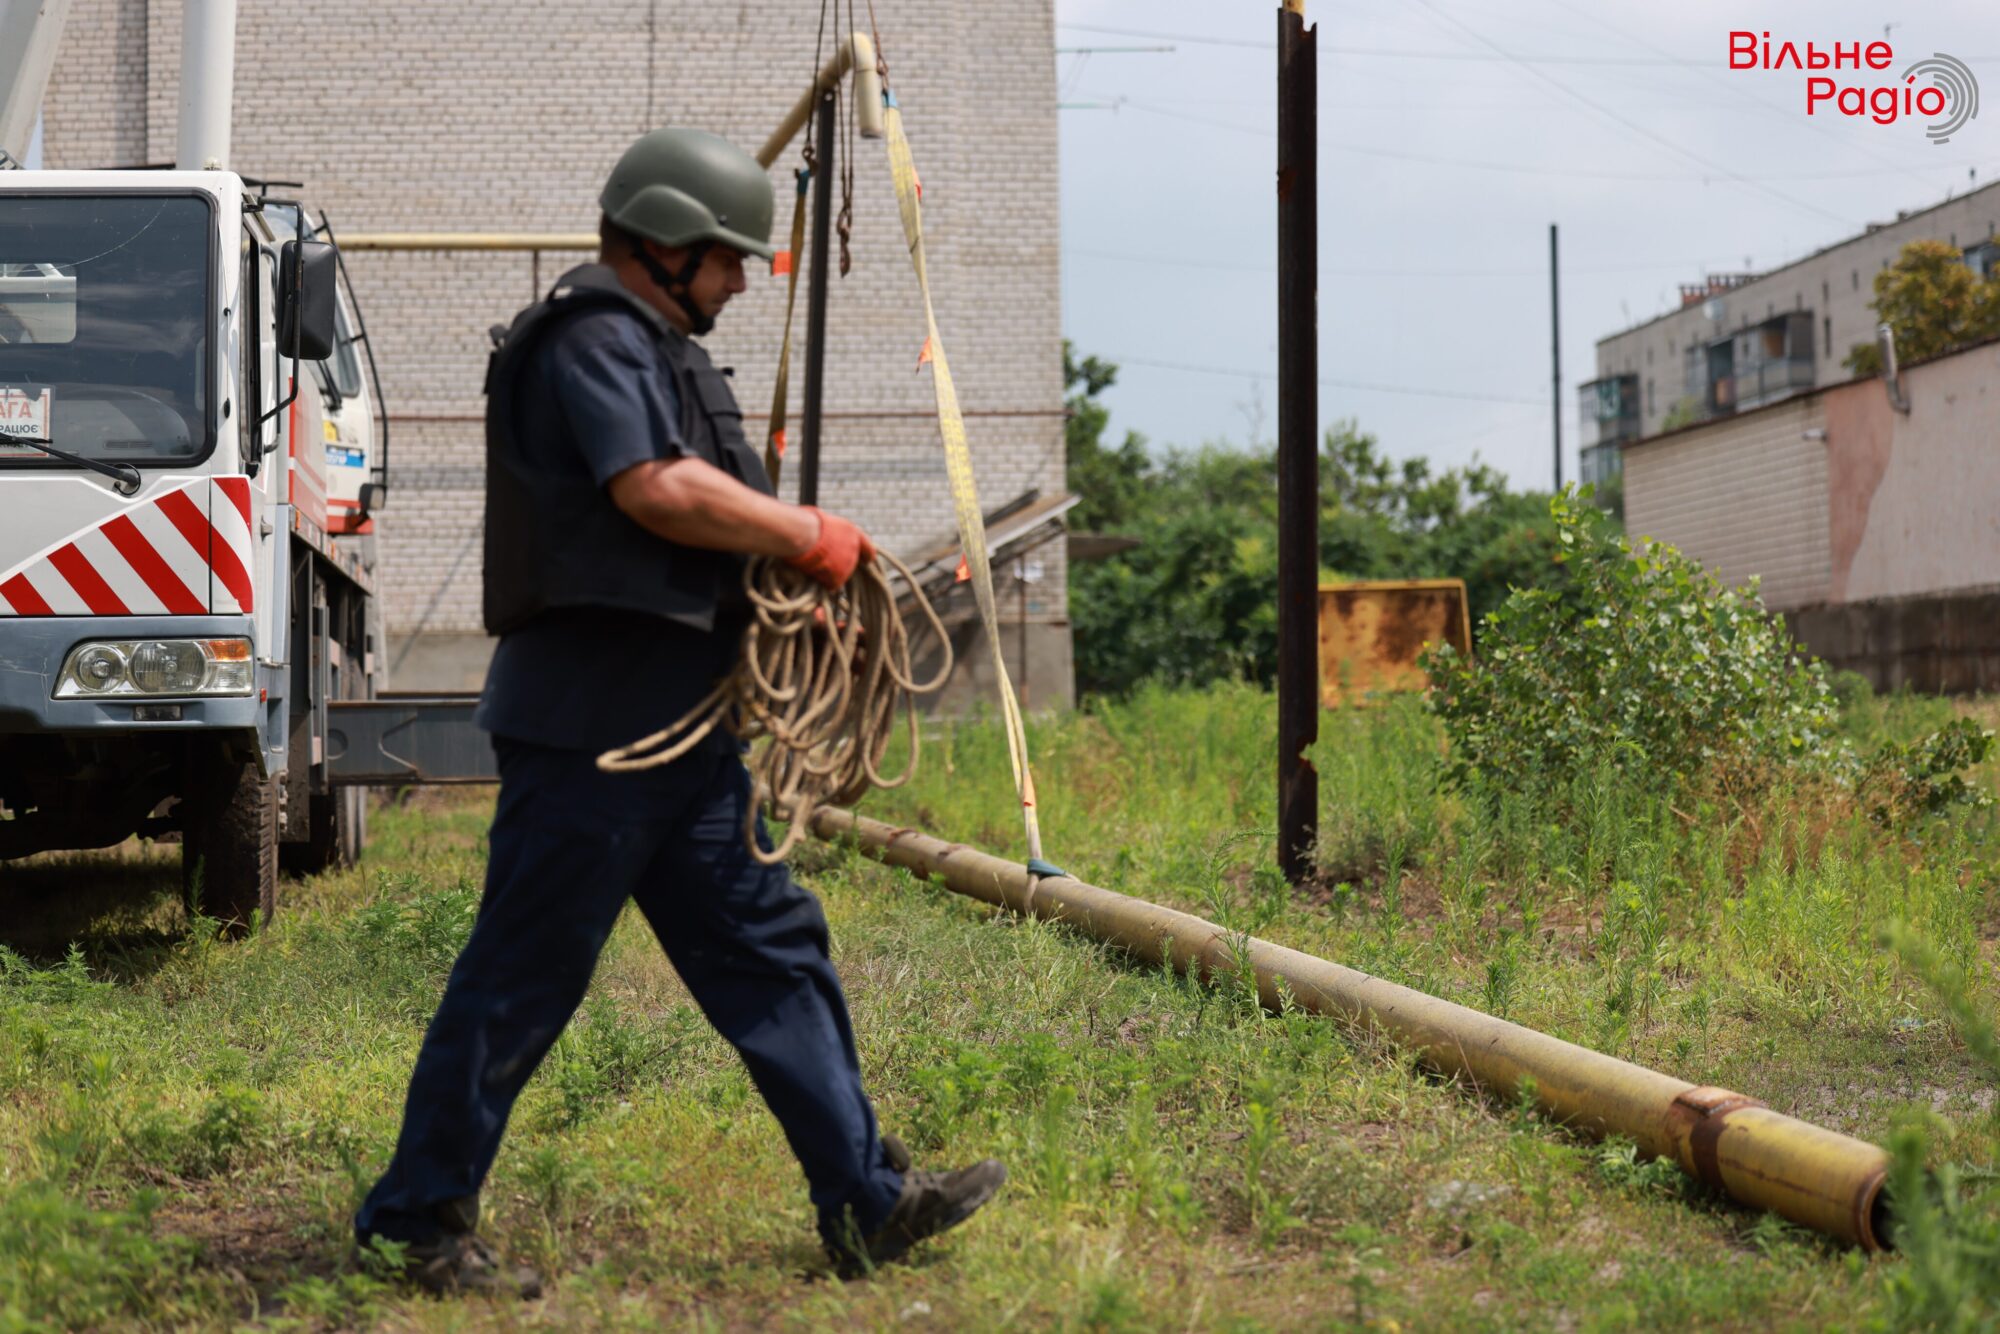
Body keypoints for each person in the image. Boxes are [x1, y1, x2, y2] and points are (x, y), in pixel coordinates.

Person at [352, 127, 1005, 1296]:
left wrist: (785, 608)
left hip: (685, 732)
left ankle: (864, 1202)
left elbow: (689, 523)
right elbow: (651, 487)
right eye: (726, 258)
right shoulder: (592, 338)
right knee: (520, 978)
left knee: (772, 953)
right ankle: (414, 1222)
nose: (742, 281)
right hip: (594, 731)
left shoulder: (652, 343)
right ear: (663, 243)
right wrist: (809, 533)